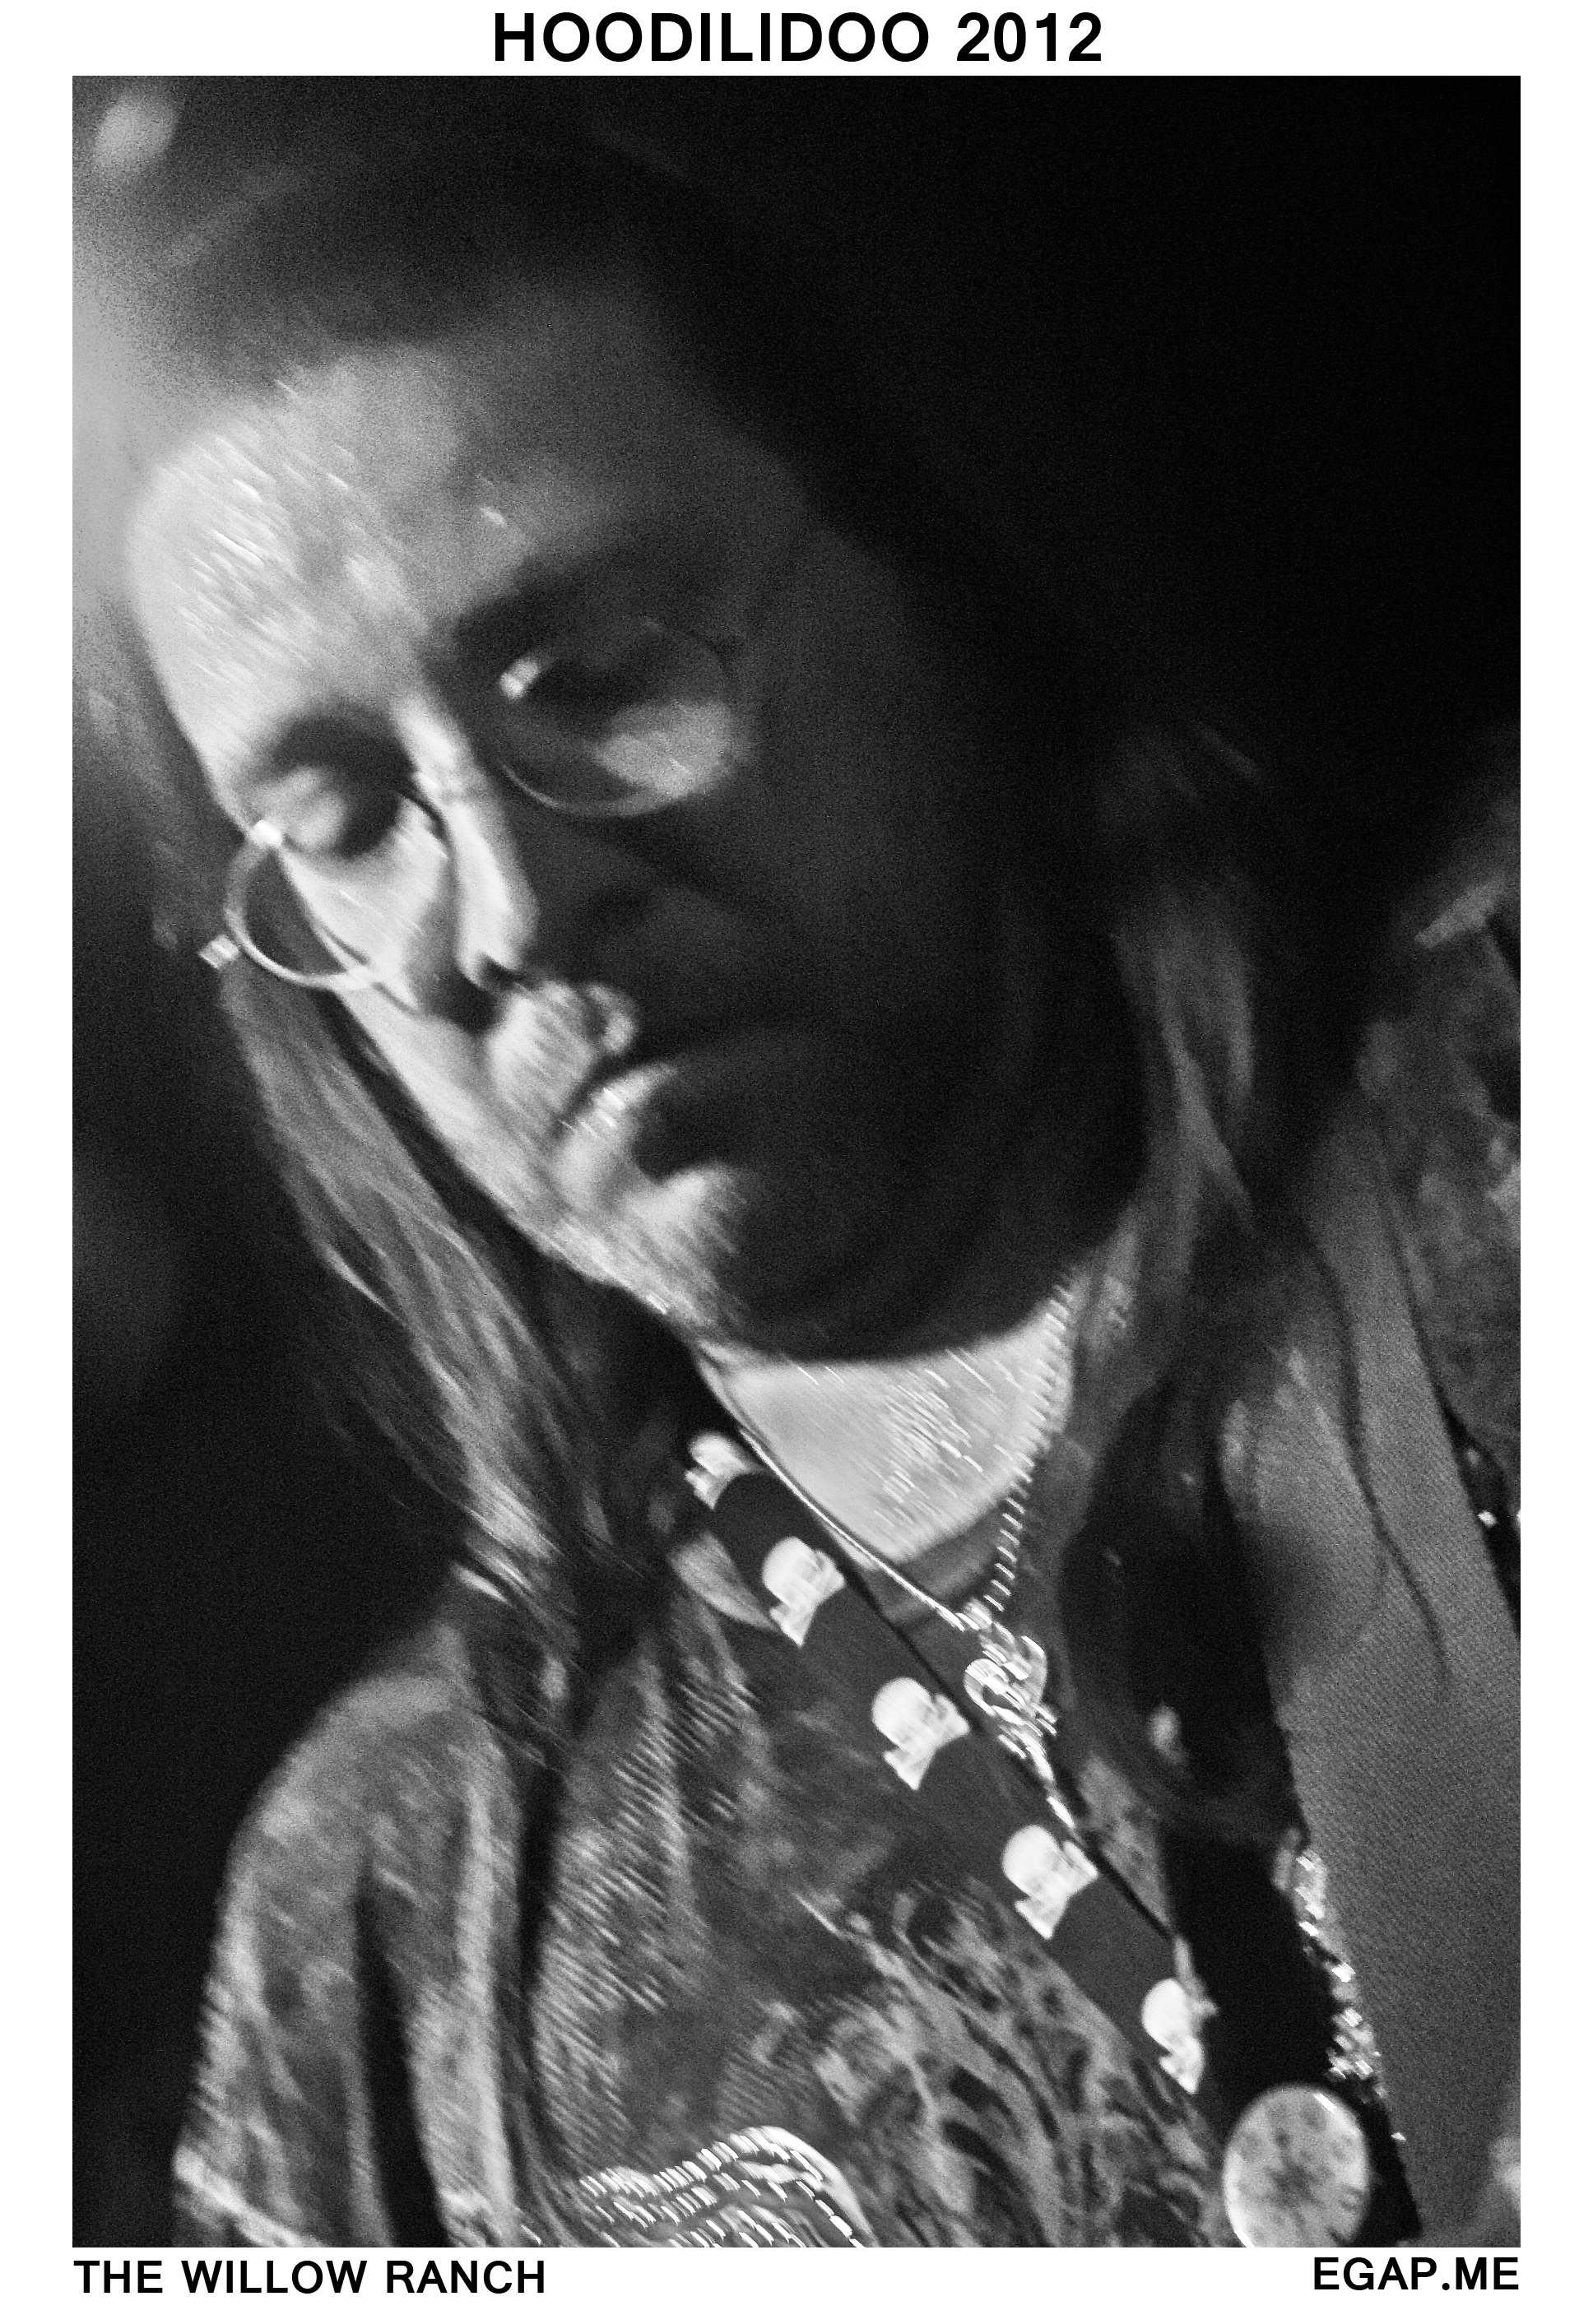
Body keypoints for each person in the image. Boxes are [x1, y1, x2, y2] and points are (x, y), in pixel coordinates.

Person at [77, 86, 1518, 2249]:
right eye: (350, 812)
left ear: (945, 578)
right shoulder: (389, 1902)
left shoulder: (1505, 1108)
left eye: (595, 673)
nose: (511, 904)